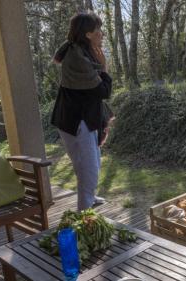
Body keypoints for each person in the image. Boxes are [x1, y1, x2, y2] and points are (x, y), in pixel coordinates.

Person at [51, 12, 113, 211]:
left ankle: (90, 198)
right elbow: (103, 91)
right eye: (98, 30)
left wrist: (100, 66)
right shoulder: (77, 58)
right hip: (77, 120)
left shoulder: (83, 51)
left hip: (82, 117)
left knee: (88, 164)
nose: (101, 34)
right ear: (87, 34)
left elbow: (95, 89)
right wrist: (104, 68)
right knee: (89, 169)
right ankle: (84, 216)